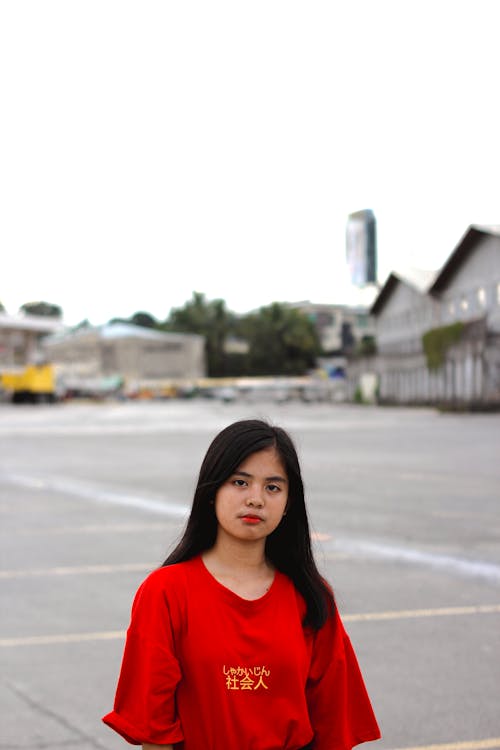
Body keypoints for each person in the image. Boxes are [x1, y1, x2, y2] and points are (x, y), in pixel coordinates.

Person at [102, 419, 381, 750]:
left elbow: (334, 725)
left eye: (273, 487)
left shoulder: (311, 596)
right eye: (240, 482)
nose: (256, 499)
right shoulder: (166, 592)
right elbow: (153, 728)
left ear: (289, 502)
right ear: (212, 490)